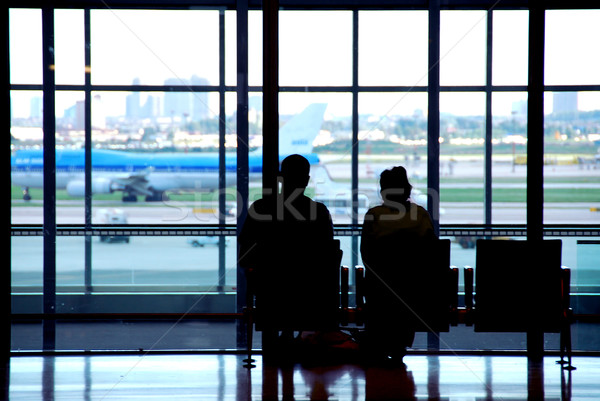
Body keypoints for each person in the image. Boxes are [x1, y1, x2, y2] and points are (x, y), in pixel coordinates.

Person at [239, 154, 337, 356]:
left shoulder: (260, 208)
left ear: (281, 179)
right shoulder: (318, 212)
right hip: (307, 289)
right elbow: (328, 252)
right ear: (307, 180)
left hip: (269, 288)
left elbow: (245, 250)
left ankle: (278, 343)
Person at [360, 166, 437, 363]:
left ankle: (377, 342)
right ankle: (398, 345)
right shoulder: (420, 215)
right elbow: (431, 253)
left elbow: (366, 254)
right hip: (411, 288)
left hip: (380, 291)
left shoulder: (374, 216)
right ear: (407, 190)